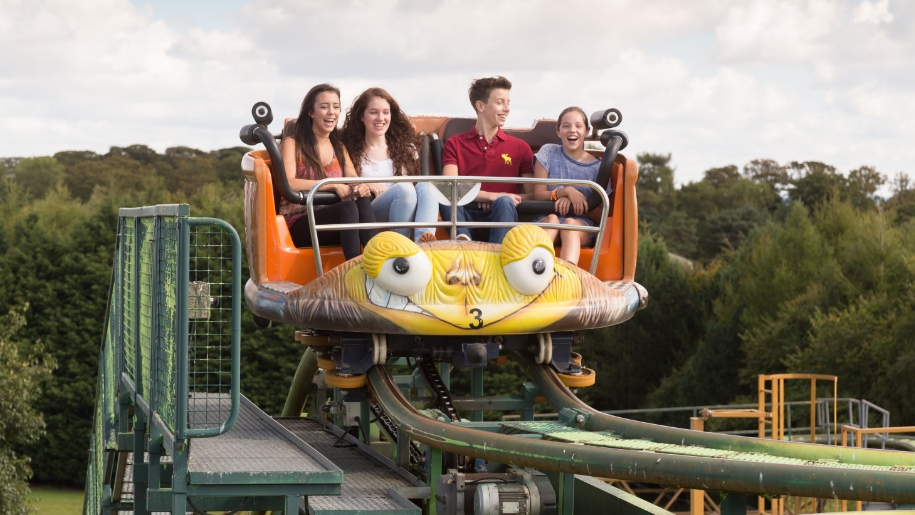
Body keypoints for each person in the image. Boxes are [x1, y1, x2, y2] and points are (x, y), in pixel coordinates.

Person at [279, 83, 377, 260]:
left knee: (362, 201)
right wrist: (331, 185)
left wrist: (360, 186)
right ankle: (353, 269)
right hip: (300, 221)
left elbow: (353, 178)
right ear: (311, 112)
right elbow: (289, 182)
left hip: (333, 221)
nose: (332, 112)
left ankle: (377, 261)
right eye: (324, 107)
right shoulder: (292, 144)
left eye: (336, 107)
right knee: (347, 207)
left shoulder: (339, 148)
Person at [441, 76, 534, 244]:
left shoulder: (521, 147)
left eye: (508, 103)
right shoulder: (454, 143)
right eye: (500, 102)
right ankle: (463, 245)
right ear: (480, 106)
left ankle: (496, 258)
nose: (507, 109)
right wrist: (490, 196)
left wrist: (501, 198)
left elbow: (532, 194)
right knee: (445, 197)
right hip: (466, 215)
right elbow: (449, 188)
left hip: (502, 216)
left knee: (505, 202)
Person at [341, 87, 439, 243]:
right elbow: (344, 182)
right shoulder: (349, 150)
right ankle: (400, 247)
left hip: (405, 210)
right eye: (374, 112)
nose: (381, 118)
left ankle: (424, 242)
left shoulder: (406, 149)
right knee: (403, 188)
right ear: (362, 116)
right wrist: (368, 184)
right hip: (370, 216)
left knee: (428, 185)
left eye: (386, 112)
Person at [531, 107, 607, 266]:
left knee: (570, 224)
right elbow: (538, 194)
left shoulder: (598, 168)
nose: (572, 130)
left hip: (580, 226)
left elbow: (602, 214)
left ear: (586, 131)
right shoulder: (548, 153)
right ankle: (535, 268)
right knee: (552, 220)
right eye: (566, 126)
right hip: (547, 221)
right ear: (558, 131)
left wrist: (574, 203)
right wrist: (564, 192)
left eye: (578, 126)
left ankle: (567, 274)